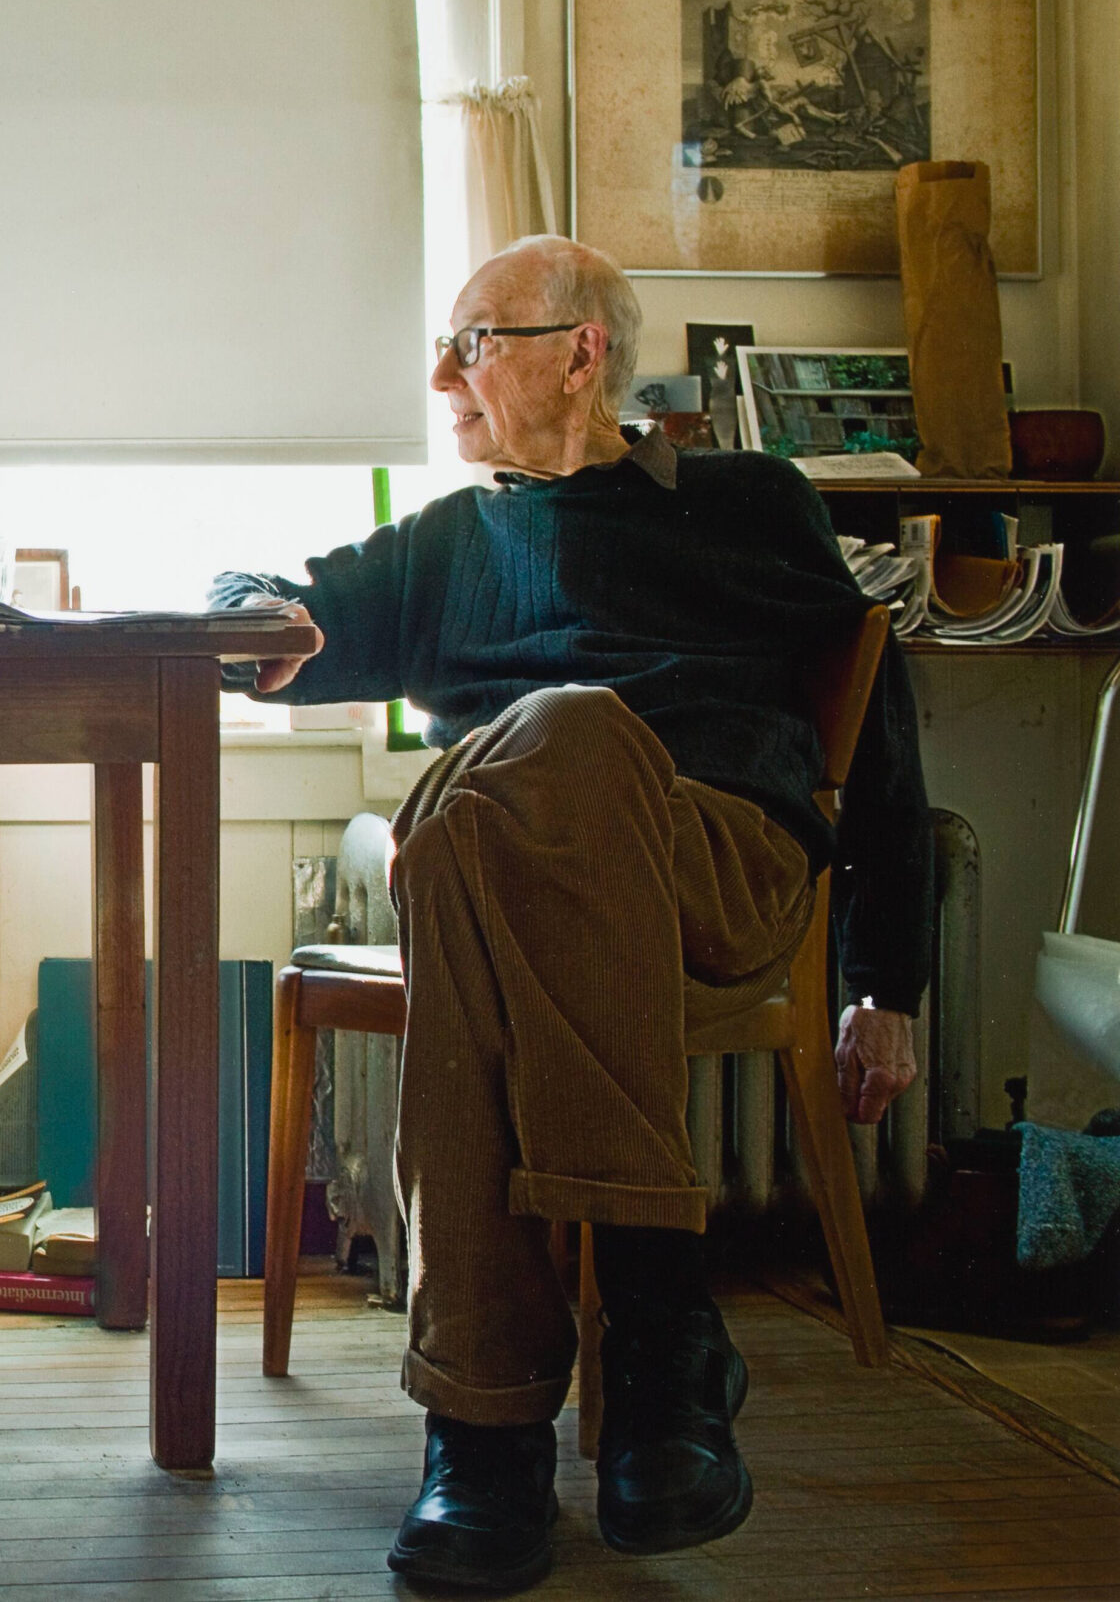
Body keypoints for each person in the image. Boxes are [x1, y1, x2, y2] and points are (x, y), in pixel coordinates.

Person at [216, 234, 929, 1592]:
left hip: (713, 860)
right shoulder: (442, 544)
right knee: (488, 823)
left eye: (475, 341)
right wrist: (247, 607)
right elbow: (262, 611)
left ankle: (483, 1440)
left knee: (546, 753)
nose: (443, 377)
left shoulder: (745, 501)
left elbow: (881, 726)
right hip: (511, 893)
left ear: (582, 352)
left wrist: (879, 979)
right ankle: (649, 1356)